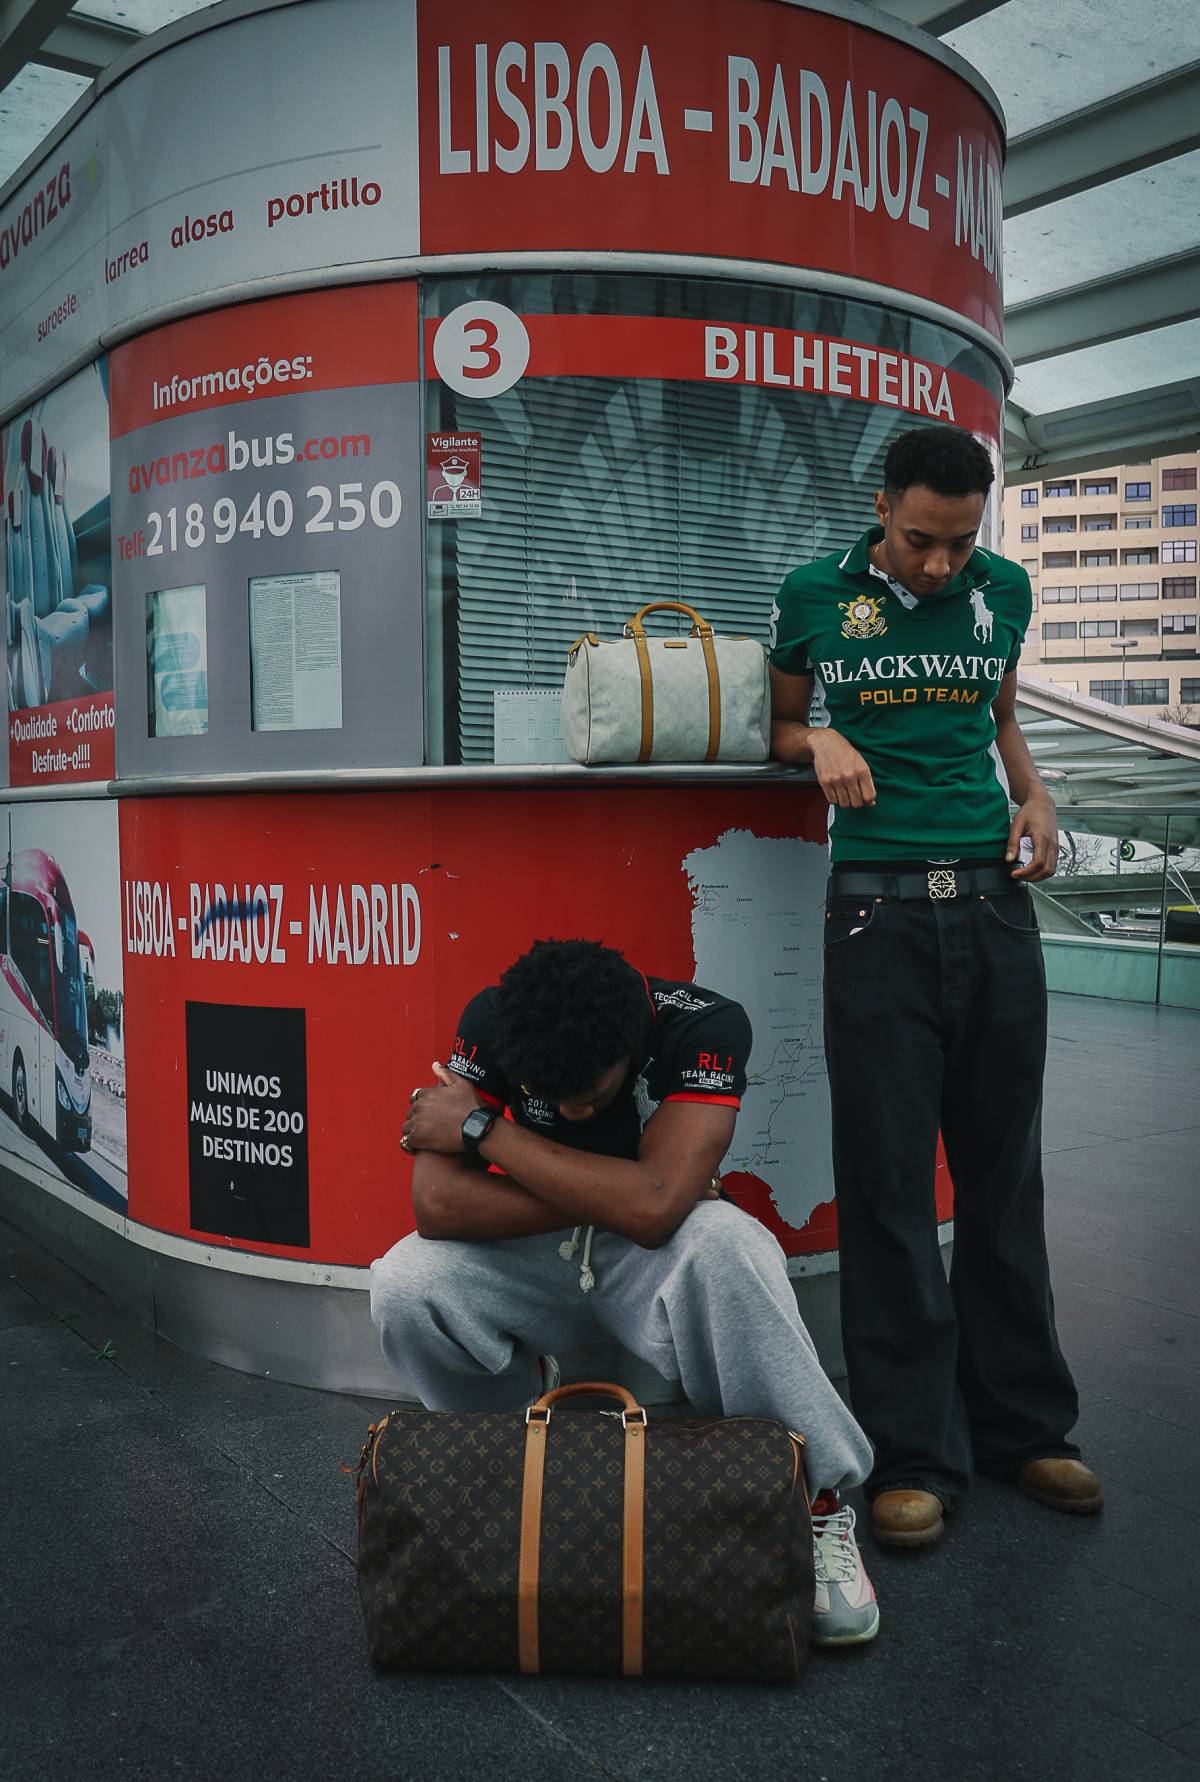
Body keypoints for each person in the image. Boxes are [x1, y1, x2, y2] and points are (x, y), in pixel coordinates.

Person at [768, 424, 1101, 1548]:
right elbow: (777, 716)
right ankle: (913, 1453)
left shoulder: (1003, 590)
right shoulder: (814, 593)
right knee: (890, 1179)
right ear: (882, 507)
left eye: (959, 544)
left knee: (1006, 1173)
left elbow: (1000, 720)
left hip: (997, 904)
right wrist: (813, 742)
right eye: (920, 541)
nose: (940, 567)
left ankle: (1026, 1430)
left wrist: (1040, 799)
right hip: (877, 906)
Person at [370, 938, 880, 1645]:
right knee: (405, 1281)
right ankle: (508, 1475)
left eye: (592, 1097)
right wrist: (629, 1187)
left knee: (730, 1243)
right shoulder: (495, 1020)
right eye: (552, 1101)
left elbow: (655, 1215)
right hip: (539, 1249)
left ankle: (815, 1496)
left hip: (651, 1252)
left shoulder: (703, 1025)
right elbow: (439, 1206)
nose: (573, 1114)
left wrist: (483, 1131)